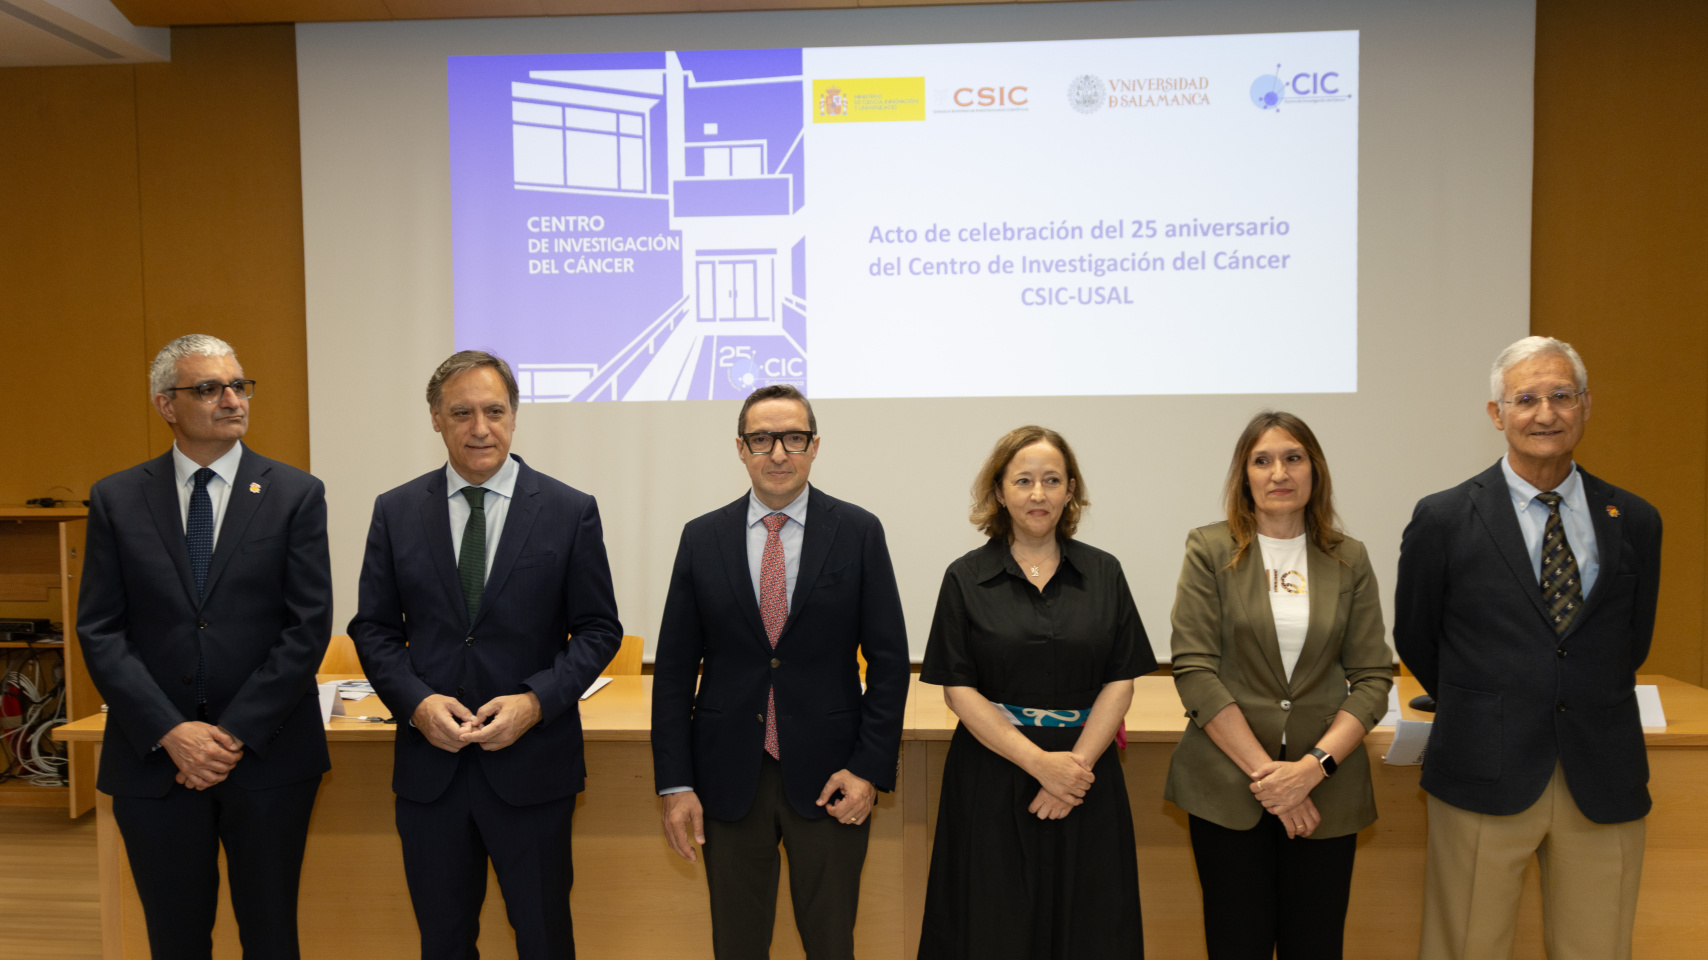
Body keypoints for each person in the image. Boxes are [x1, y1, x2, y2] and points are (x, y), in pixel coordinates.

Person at [349, 350, 622, 960]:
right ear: (435, 420)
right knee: (443, 941)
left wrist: (536, 701)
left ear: (515, 417)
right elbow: (372, 630)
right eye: (462, 412)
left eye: (495, 411)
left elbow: (600, 629)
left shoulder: (567, 509)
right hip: (432, 771)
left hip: (533, 767)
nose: (480, 428)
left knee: (544, 937)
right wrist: (416, 704)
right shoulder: (396, 512)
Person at [1396, 336, 1661, 960]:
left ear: (1586, 405)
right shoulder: (1443, 518)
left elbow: (1633, 640)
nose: (1546, 413)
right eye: (1526, 398)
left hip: (1603, 772)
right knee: (1466, 946)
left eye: (1562, 396)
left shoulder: (1636, 518)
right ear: (1497, 414)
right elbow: (1416, 636)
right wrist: (1489, 698)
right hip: (1483, 768)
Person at [78, 334, 333, 960]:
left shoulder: (295, 493)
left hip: (268, 758)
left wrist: (231, 734)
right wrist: (174, 732)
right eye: (209, 388)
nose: (230, 400)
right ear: (167, 405)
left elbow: (308, 626)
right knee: (175, 937)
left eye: (238, 386)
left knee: (271, 937)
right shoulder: (117, 497)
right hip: (155, 760)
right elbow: (100, 629)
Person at [651, 384, 909, 960]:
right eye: (761, 439)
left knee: (830, 941)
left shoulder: (858, 532)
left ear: (814, 446)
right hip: (726, 775)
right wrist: (675, 783)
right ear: (740, 449)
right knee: (737, 944)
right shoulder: (702, 537)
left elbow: (890, 664)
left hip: (831, 776)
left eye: (793, 438)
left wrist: (868, 769)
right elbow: (672, 673)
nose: (777, 453)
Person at [917, 425, 1155, 960]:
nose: (1038, 494)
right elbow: (959, 690)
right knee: (993, 926)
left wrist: (1072, 769)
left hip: (1087, 776)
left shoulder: (1104, 572)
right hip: (993, 777)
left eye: (1052, 480)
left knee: (1092, 925)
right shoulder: (965, 577)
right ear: (999, 491)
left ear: (1071, 490)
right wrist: (1040, 765)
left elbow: (1122, 678)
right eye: (1023, 480)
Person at [1163, 411, 1393, 960]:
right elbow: (1195, 669)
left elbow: (1372, 679)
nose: (1278, 472)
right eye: (1261, 460)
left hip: (1326, 792)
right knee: (1234, 944)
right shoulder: (1210, 550)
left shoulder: (1349, 557)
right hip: (1227, 789)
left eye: (1293, 457)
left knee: (1315, 946)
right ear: (1244, 476)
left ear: (1314, 471)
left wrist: (1312, 769)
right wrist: (1272, 780)